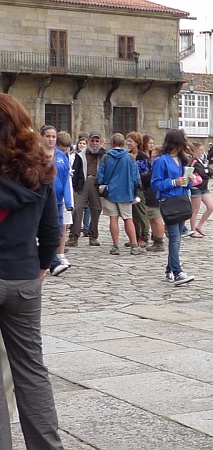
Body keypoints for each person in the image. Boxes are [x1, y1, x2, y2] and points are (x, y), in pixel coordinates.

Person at [0, 92, 65, 450]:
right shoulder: (38, 168)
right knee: (31, 371)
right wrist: (38, 270)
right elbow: (52, 231)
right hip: (24, 279)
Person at [150, 129, 195, 285]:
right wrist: (174, 182)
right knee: (174, 238)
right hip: (169, 202)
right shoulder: (161, 161)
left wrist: (189, 179)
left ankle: (170, 269)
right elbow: (155, 183)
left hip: (181, 200)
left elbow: (185, 183)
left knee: (177, 239)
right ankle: (177, 272)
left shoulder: (182, 160)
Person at [96, 133, 143, 256]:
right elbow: (135, 176)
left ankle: (115, 246)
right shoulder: (130, 158)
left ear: (111, 143)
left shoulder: (106, 157)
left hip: (110, 191)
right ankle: (134, 245)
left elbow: (100, 175)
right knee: (128, 219)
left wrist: (101, 185)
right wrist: (135, 190)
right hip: (126, 192)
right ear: (123, 144)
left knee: (113, 218)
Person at [40, 126, 73, 276]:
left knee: (55, 230)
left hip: (57, 199)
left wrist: (68, 201)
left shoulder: (61, 156)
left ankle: (51, 260)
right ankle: (50, 262)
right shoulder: (35, 155)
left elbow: (66, 179)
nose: (51, 139)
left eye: (53, 136)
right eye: (48, 136)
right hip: (39, 198)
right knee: (38, 230)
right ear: (42, 137)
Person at [67, 131, 105, 246]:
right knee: (78, 209)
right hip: (82, 183)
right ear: (88, 141)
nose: (94, 143)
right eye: (92, 141)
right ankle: (74, 236)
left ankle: (93, 236)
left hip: (96, 183)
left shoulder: (103, 155)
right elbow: (75, 170)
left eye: (97, 141)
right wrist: (73, 188)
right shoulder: (80, 154)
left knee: (96, 209)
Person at [140, 134, 166, 252]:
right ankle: (156, 239)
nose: (152, 149)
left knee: (156, 217)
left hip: (153, 192)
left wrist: (143, 177)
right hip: (150, 192)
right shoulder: (152, 161)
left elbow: (152, 176)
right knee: (152, 218)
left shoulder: (157, 163)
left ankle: (159, 241)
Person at [126, 131, 151, 249]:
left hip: (141, 188)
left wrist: (138, 178)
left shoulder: (142, 156)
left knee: (141, 213)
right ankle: (135, 236)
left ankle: (144, 236)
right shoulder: (127, 155)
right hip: (130, 188)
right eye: (127, 140)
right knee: (133, 214)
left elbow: (147, 173)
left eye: (130, 141)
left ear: (136, 142)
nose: (128, 143)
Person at [188, 141, 213, 237]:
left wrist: (207, 172)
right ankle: (192, 230)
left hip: (204, 187)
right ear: (195, 150)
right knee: (195, 210)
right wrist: (206, 172)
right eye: (200, 149)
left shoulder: (202, 160)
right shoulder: (193, 161)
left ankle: (199, 225)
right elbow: (202, 173)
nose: (202, 151)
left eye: (203, 149)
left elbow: (210, 171)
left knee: (211, 206)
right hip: (196, 187)